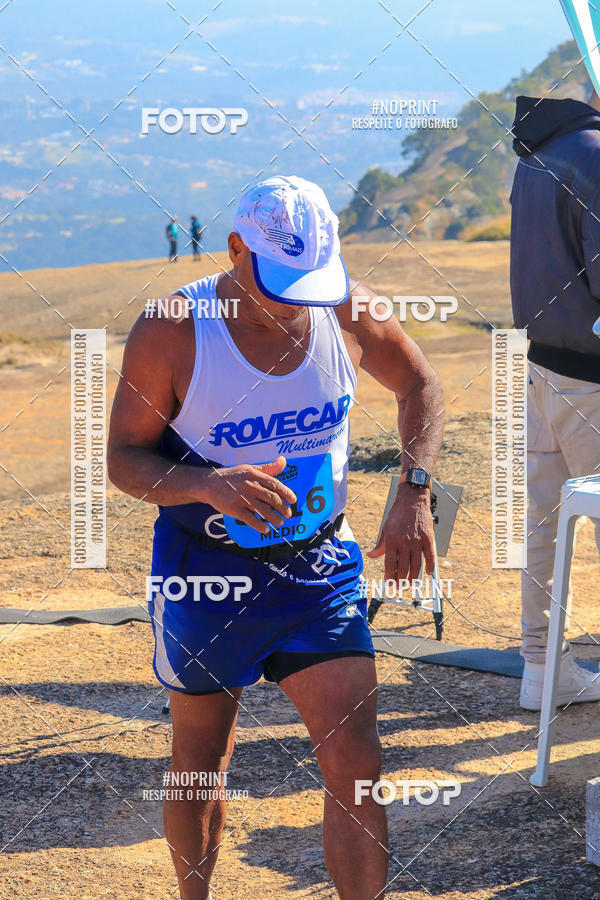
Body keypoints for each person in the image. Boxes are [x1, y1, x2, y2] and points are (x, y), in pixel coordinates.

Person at [108, 175, 444, 900]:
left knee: (357, 761)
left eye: (312, 281)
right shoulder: (173, 330)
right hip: (206, 573)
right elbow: (125, 459)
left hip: (319, 568)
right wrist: (207, 484)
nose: (300, 302)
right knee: (202, 764)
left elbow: (421, 385)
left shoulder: (347, 308)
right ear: (236, 249)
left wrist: (414, 493)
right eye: (284, 283)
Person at [510, 94, 600, 711]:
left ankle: (542, 671)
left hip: (541, 365)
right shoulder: (596, 156)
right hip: (591, 378)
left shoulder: (538, 149)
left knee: (543, 526)